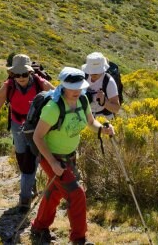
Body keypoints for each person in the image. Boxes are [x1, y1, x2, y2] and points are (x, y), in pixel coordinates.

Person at [31, 67, 114, 245]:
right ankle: (79, 238)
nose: (76, 91)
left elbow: (91, 122)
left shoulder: (83, 100)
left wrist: (103, 128)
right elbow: (37, 137)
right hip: (52, 157)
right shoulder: (53, 108)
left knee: (54, 191)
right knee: (77, 194)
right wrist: (52, 162)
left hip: (69, 156)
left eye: (79, 86)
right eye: (72, 87)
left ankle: (38, 227)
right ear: (63, 86)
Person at [0, 54, 54, 212]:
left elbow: (58, 97)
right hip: (17, 124)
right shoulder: (8, 86)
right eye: (17, 74)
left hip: (36, 127)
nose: (21, 77)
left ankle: (24, 199)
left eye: (24, 74)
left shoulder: (40, 83)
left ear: (30, 72)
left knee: (30, 160)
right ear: (12, 74)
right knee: (22, 158)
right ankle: (31, 185)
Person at [82, 52, 121, 119]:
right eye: (91, 71)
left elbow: (116, 108)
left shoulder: (108, 81)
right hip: (85, 115)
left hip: (103, 118)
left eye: (96, 71)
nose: (93, 74)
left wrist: (104, 102)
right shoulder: (83, 76)